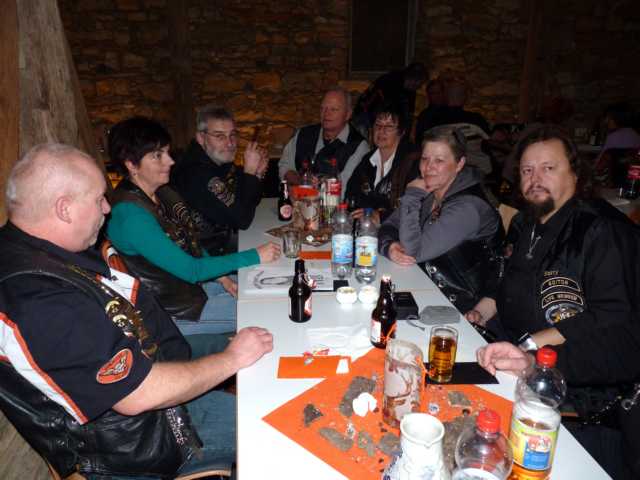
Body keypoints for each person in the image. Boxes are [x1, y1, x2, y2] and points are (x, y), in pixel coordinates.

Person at [0, 143, 274, 478]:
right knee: (274, 422)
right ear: (64, 209)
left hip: (149, 384)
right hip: (141, 440)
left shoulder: (44, 249)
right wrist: (232, 358)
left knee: (266, 357)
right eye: (99, 199)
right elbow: (136, 394)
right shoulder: (35, 296)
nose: (107, 208)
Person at [467, 125, 640, 479]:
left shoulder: (600, 232)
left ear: (575, 173)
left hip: (575, 413)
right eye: (527, 170)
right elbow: (504, 284)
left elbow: (622, 342)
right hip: (513, 374)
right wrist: (479, 313)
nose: (535, 179)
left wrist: (533, 357)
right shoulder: (523, 223)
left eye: (549, 168)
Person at [106, 117, 280, 336]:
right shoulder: (131, 215)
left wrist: (221, 277)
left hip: (191, 290)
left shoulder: (160, 192)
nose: (170, 161)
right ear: (131, 164)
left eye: (167, 152)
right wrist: (255, 255)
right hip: (174, 312)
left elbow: (189, 241)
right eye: (158, 155)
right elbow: (192, 270)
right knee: (269, 309)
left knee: (272, 288)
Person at [379, 128, 503, 313]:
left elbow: (414, 252)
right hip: (427, 284)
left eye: (439, 160)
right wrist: (389, 247)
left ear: (459, 164)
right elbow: (388, 224)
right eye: (425, 159)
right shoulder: (433, 189)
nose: (428, 167)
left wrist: (412, 196)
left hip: (465, 305)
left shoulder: (467, 207)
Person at [171, 105, 268, 255]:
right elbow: (243, 220)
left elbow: (247, 202)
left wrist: (257, 175)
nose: (230, 143)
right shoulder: (196, 173)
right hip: (206, 256)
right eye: (220, 136)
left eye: (232, 135)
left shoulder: (219, 162)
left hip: (226, 241)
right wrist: (249, 173)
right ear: (201, 138)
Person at [344, 102, 420, 225]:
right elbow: (351, 196)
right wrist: (371, 211)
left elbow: (414, 208)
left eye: (389, 126)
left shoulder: (412, 162)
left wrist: (381, 215)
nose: (381, 130)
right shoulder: (367, 161)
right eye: (378, 124)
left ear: (401, 132)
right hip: (365, 228)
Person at [278, 87, 369, 188]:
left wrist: (314, 187)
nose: (326, 113)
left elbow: (345, 187)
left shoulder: (358, 146)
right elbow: (285, 164)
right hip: (299, 196)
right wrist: (298, 181)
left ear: (348, 114)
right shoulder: (304, 134)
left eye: (333, 109)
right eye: (323, 108)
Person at [352, 62, 427, 137]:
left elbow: (408, 115)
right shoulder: (390, 81)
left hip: (379, 118)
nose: (419, 87)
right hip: (365, 116)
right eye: (420, 83)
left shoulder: (410, 91)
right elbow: (385, 108)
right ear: (414, 79)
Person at [414, 78, 448, 144]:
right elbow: (419, 139)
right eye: (433, 93)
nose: (437, 96)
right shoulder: (424, 115)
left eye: (439, 92)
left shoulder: (451, 113)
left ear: (443, 93)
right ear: (429, 95)